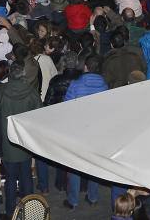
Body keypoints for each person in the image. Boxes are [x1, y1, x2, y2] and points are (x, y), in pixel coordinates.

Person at [0, 61, 41, 216]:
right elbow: (40, 113)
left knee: (11, 179)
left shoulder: (0, 92)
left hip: (8, 142)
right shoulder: (31, 91)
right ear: (23, 75)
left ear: (9, 75)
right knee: (26, 176)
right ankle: (30, 211)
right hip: (25, 142)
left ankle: (10, 211)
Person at [63, 55, 108, 209]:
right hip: (97, 131)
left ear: (86, 67)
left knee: (75, 165)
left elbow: (66, 107)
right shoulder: (104, 84)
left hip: (78, 131)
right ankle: (93, 197)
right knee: (93, 164)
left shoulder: (76, 84)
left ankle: (73, 200)